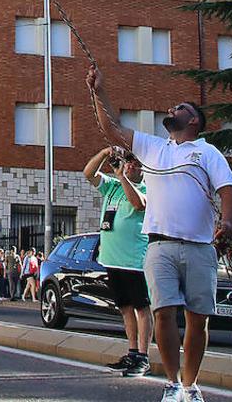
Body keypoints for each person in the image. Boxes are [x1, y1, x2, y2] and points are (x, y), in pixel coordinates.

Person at [87, 66, 232, 402]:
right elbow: (111, 128)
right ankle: (172, 383)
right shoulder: (153, 148)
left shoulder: (207, 152)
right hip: (159, 247)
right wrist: (99, 91)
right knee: (163, 312)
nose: (171, 111)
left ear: (194, 121)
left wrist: (226, 222)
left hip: (200, 247)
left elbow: (227, 188)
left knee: (198, 320)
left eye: (180, 108)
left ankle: (190, 384)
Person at [84, 145, 153, 377]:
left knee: (142, 308)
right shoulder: (113, 187)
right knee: (125, 308)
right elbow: (88, 173)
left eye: (136, 163)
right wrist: (104, 154)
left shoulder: (147, 188)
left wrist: (122, 176)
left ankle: (143, 356)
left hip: (135, 260)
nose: (131, 165)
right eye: (129, 161)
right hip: (113, 260)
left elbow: (138, 204)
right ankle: (132, 351)